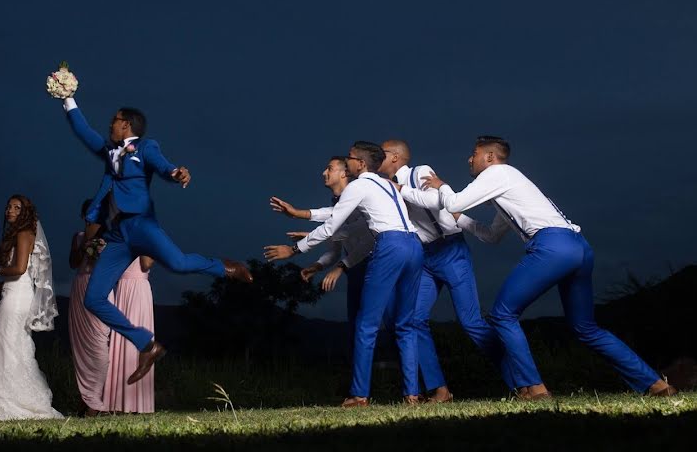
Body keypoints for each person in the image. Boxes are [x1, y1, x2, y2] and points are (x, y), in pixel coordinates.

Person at [422, 135, 676, 399]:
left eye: (474, 153)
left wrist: (442, 187)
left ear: (489, 157)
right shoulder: (509, 185)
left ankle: (534, 388)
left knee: (502, 314)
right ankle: (657, 385)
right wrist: (459, 218)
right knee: (585, 328)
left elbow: (452, 201)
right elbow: (490, 236)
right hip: (578, 247)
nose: (469, 159)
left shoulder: (498, 172)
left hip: (552, 246)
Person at [62, 96, 252, 384]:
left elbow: (164, 166)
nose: (110, 124)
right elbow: (83, 130)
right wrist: (67, 98)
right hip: (116, 235)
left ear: (126, 125)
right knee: (94, 298)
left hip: (141, 225)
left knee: (178, 264)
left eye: (114, 120)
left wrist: (176, 173)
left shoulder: (146, 147)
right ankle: (148, 346)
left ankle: (227, 268)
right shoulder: (109, 151)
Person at [264, 141, 423, 406]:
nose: (346, 162)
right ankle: (412, 395)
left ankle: (359, 395)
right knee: (405, 325)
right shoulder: (385, 184)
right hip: (414, 246)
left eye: (349, 158)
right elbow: (356, 226)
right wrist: (306, 220)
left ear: (360, 164)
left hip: (391, 246)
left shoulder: (358, 185)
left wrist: (294, 250)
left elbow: (332, 226)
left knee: (366, 324)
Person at [379, 139, 517, 402]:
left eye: (380, 153)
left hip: (451, 251)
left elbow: (436, 200)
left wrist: (400, 190)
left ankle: (522, 383)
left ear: (395, 157)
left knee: (471, 322)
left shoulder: (418, 172)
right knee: (412, 320)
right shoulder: (382, 186)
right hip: (425, 257)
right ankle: (440, 390)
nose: (376, 157)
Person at [268, 156, 375, 359]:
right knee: (356, 325)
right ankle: (360, 385)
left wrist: (300, 244)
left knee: (382, 323)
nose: (323, 173)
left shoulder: (360, 195)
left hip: (373, 264)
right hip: (353, 268)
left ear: (344, 173)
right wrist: (316, 267)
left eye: (329, 168)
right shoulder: (338, 204)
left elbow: (360, 234)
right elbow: (334, 248)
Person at [0, 195, 63, 420]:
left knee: (9, 344)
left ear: (25, 213)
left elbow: (20, 267)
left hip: (17, 298)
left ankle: (15, 400)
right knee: (12, 345)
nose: (10, 210)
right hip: (13, 293)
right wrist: (0, 282)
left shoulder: (25, 234)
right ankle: (7, 398)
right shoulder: (17, 234)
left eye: (17, 207)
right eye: (9, 206)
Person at [68, 199, 111, 415]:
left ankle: (96, 398)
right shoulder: (78, 236)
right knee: (81, 347)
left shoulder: (111, 237)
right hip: (79, 288)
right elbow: (73, 263)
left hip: (100, 289)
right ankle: (85, 398)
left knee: (99, 343)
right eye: (87, 213)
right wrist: (84, 246)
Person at [103, 256, 156, 413]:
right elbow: (147, 263)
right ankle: (121, 401)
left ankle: (126, 402)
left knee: (131, 340)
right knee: (122, 340)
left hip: (134, 289)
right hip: (125, 288)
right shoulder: (144, 237)